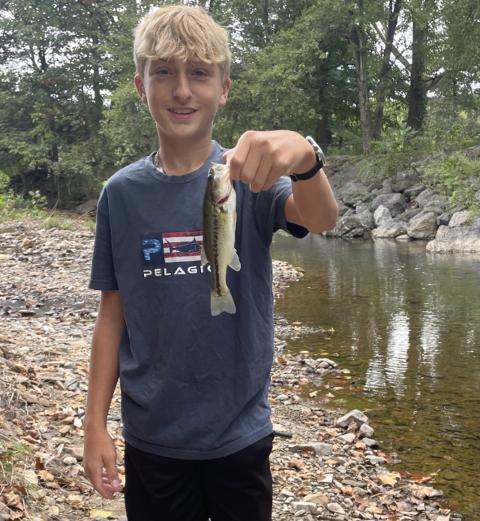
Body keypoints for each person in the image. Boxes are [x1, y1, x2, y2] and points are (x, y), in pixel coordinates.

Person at [83, 5, 338, 521]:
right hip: (152, 436)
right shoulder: (121, 194)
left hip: (238, 434)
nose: (182, 90)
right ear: (141, 86)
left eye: (199, 73)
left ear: (223, 88)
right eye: (164, 72)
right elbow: (112, 315)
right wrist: (94, 427)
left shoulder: (248, 176)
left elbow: (321, 219)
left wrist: (305, 158)